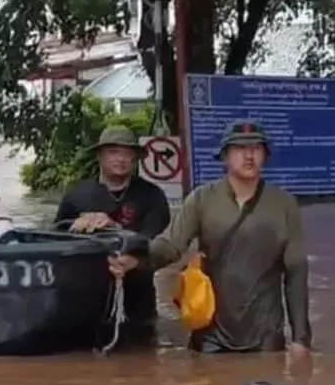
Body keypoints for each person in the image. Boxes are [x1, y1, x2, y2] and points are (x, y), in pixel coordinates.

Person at [109, 120, 311, 357]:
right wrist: (136, 259)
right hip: (210, 333)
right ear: (225, 157)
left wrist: (301, 339)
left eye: (256, 149)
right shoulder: (202, 199)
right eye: (239, 149)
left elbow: (296, 272)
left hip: (265, 335)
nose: (249, 156)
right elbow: (171, 245)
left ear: (265, 156)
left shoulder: (284, 205)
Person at [55, 125, 171, 347]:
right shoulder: (77, 195)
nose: (121, 159)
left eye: (127, 153)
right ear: (99, 155)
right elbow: (55, 241)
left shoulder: (152, 196)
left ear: (136, 158)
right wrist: (74, 226)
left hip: (138, 301)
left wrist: (113, 226)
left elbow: (159, 244)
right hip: (87, 301)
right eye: (113, 152)